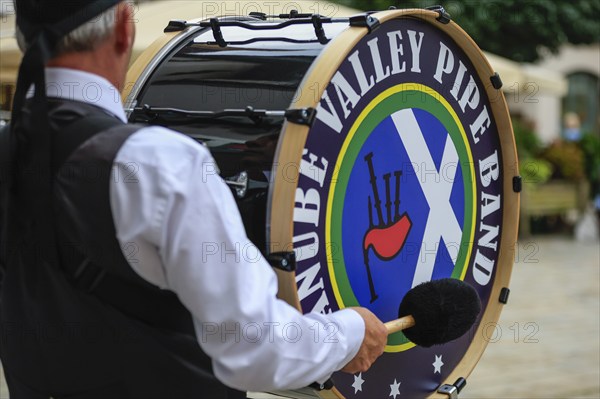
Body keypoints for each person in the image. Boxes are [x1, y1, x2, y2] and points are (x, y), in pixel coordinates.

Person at [0, 1, 388, 397]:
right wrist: (350, 332)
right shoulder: (155, 163)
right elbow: (256, 347)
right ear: (122, 28)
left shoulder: (11, 146)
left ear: (23, 36)